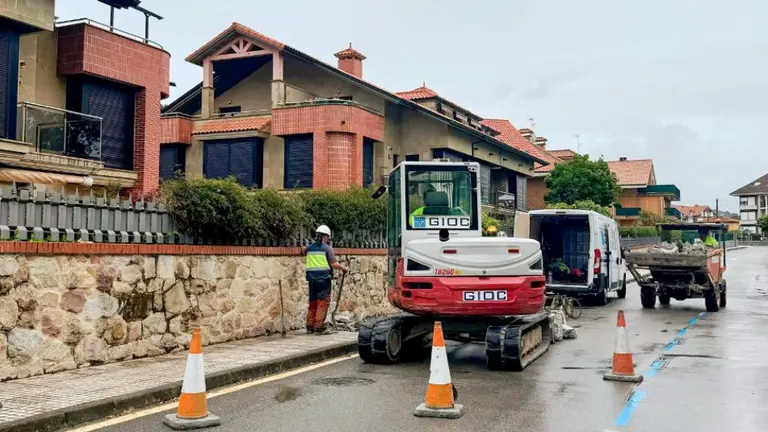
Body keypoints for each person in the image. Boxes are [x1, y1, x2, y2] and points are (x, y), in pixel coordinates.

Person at [303, 225, 348, 335]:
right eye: (328, 237)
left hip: (312, 280)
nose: (328, 239)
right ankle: (319, 327)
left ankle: (310, 326)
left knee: (312, 302)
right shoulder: (327, 248)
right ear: (325, 236)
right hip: (323, 280)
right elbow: (333, 264)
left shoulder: (309, 248)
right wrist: (344, 268)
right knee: (322, 302)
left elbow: (303, 251)